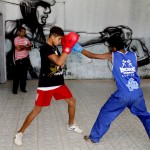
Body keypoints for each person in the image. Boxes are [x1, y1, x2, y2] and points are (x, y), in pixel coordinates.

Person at [72, 36, 150, 143]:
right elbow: (135, 69)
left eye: (109, 47)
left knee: (106, 112)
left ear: (113, 48)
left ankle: (94, 137)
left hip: (123, 95)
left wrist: (79, 49)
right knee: (145, 115)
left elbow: (92, 55)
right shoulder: (133, 55)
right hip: (137, 93)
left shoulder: (112, 55)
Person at [14, 26, 83, 146]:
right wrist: (67, 49)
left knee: (72, 101)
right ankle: (20, 133)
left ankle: (71, 124)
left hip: (58, 83)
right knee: (37, 110)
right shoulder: (45, 48)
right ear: (53, 35)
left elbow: (61, 64)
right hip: (46, 85)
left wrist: (68, 51)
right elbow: (59, 62)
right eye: (59, 39)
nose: (60, 41)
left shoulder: (55, 47)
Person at [12, 26, 31, 94]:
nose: (23, 33)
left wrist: (23, 46)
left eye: (24, 32)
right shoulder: (16, 39)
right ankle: (14, 90)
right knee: (17, 76)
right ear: (19, 32)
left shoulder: (26, 39)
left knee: (24, 75)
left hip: (25, 59)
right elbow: (18, 49)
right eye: (22, 32)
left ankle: (23, 88)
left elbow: (29, 48)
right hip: (19, 60)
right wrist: (25, 46)